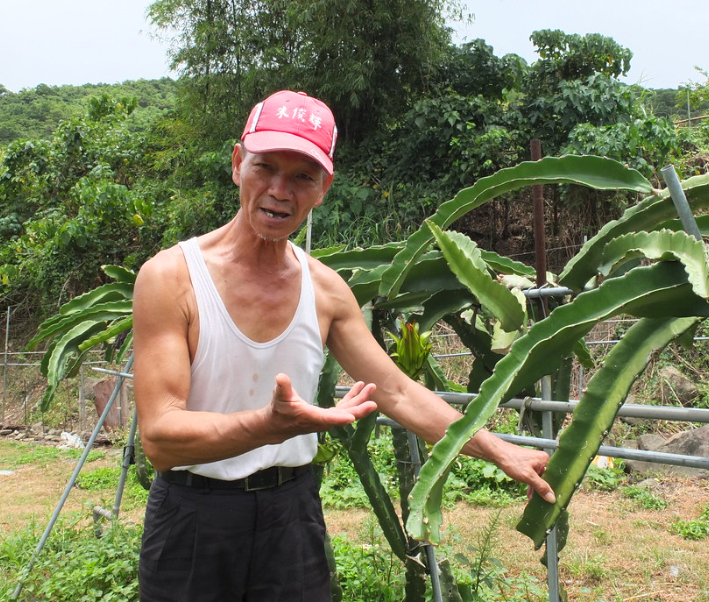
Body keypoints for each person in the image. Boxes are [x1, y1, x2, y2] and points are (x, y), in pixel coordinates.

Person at [132, 90, 555, 602]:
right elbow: (159, 438)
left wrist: (498, 448)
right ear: (238, 163)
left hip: (291, 516)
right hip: (192, 519)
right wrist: (266, 428)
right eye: (266, 167)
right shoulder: (171, 278)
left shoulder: (327, 290)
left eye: (303, 176)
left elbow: (395, 391)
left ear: (324, 188)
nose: (280, 191)